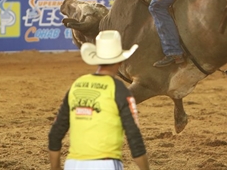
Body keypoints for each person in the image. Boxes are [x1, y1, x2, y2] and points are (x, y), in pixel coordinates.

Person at [48, 30, 150, 170]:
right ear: (120, 61)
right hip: (105, 163)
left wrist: (55, 167)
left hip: (73, 163)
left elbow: (56, 133)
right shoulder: (119, 90)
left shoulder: (77, 85)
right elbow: (134, 137)